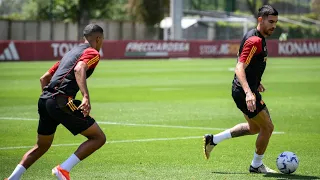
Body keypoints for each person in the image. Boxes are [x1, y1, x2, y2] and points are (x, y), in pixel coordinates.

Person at [5, 24, 106, 180]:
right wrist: (85, 96)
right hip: (61, 101)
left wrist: (50, 103)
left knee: (42, 145)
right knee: (98, 138)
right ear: (98, 38)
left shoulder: (71, 53)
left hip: (45, 100)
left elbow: (44, 78)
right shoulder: (92, 53)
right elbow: (80, 69)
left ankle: (12, 178)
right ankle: (63, 169)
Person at [203, 5, 278, 174]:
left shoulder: (257, 36)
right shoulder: (255, 40)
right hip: (244, 91)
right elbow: (239, 66)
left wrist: (256, 82)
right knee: (268, 127)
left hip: (244, 89)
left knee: (254, 128)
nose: (274, 26)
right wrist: (249, 92)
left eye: (275, 22)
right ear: (260, 20)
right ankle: (256, 165)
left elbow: (249, 64)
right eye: (271, 22)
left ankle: (213, 140)